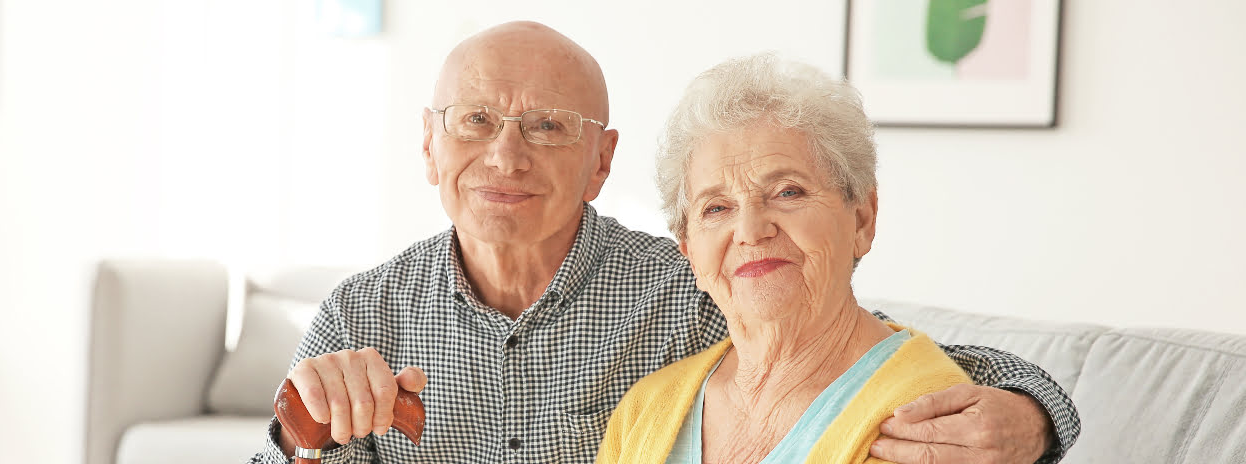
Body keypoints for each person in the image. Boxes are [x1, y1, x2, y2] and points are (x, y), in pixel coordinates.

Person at [248, 21, 1076, 464]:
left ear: (601, 161)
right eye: (474, 121)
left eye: (547, 126)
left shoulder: (691, 282)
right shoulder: (362, 311)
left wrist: (1031, 416)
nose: (505, 154)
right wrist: (298, 437)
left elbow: (858, 357)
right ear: (428, 145)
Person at [598, 52, 975, 463]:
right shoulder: (644, 408)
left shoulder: (929, 421)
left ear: (862, 219)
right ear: (690, 253)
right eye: (716, 208)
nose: (751, 231)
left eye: (787, 192)